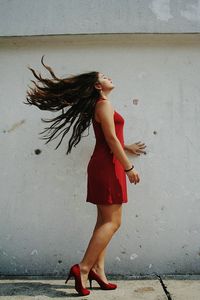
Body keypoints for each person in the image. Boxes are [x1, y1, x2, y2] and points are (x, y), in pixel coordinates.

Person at [25, 56, 146, 296]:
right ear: (98, 86)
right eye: (103, 76)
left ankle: (98, 270)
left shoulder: (101, 105)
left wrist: (127, 146)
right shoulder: (104, 104)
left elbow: (110, 137)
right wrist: (128, 167)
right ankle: (82, 268)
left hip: (103, 163)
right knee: (113, 222)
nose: (108, 76)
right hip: (109, 166)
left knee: (104, 221)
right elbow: (110, 139)